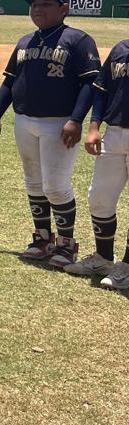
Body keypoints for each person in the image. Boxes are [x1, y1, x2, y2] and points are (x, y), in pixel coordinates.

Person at [0, 0, 101, 268]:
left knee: (56, 185)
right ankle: (42, 238)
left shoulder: (78, 40)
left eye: (46, 4)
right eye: (35, 4)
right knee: (34, 182)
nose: (38, 9)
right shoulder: (25, 41)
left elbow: (91, 83)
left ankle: (66, 245)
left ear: (64, 9)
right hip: (25, 120)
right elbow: (10, 81)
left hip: (59, 123)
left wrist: (76, 120)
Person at [74, 37, 129, 289]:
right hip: (114, 133)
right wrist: (94, 126)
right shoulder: (121, 50)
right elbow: (102, 89)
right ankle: (103, 259)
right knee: (99, 197)